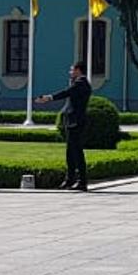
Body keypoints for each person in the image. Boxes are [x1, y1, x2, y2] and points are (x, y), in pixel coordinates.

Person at [34, 63, 93, 191]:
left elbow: (66, 93)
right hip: (72, 121)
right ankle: (70, 180)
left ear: (78, 70)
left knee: (76, 152)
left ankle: (82, 182)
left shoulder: (81, 83)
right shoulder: (77, 82)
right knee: (70, 152)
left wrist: (49, 97)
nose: (70, 72)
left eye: (72, 70)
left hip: (76, 122)